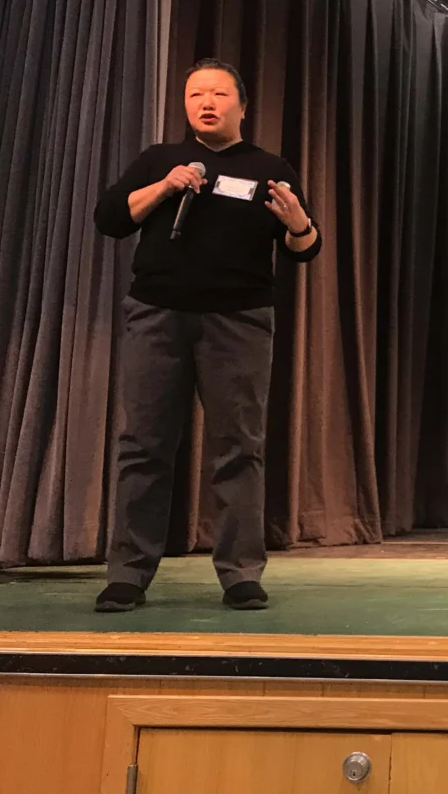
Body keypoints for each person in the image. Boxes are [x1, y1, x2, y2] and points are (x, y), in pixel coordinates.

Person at [92, 58, 321, 612]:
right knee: (143, 445)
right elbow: (111, 218)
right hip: (156, 315)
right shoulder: (161, 160)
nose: (206, 103)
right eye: (196, 95)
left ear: (242, 105)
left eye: (218, 94)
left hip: (238, 321)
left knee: (239, 448)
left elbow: (305, 248)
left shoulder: (269, 167)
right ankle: (128, 572)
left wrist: (297, 222)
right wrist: (164, 186)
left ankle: (240, 572)